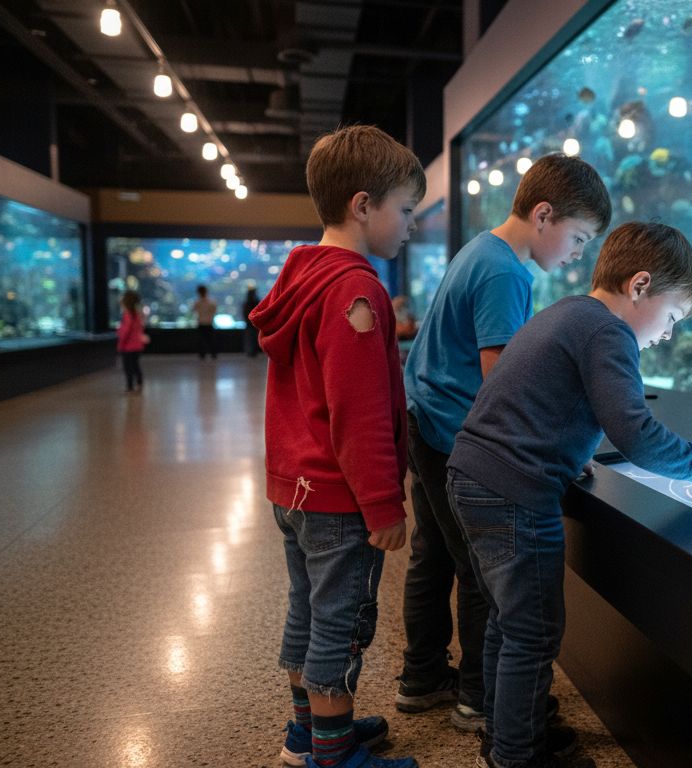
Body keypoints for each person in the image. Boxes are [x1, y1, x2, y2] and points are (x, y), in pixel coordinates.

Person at [448, 221, 692, 768]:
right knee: (534, 632)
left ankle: (504, 734)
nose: (668, 334)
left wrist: (567, 450)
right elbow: (636, 434)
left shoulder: (569, 311)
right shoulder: (608, 333)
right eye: (673, 317)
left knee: (506, 621)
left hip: (473, 475)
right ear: (639, 287)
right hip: (515, 493)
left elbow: (532, 400)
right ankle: (518, 755)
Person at [396, 153, 611, 735]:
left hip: (425, 419)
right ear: (544, 215)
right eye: (579, 237)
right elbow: (504, 385)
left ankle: (420, 677)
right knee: (479, 571)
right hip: (452, 433)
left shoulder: (480, 248)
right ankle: (477, 697)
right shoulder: (506, 273)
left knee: (433, 554)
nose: (578, 254)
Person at [248, 124, 425, 768]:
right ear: (362, 205)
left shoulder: (301, 277)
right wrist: (383, 504)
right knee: (341, 624)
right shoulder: (357, 291)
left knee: (308, 608)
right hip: (337, 497)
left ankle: (309, 732)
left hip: (292, 489)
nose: (409, 224)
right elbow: (359, 413)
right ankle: (332, 753)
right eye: (404, 209)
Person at [116, 290, 148, 392]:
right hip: (137, 346)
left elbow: (126, 331)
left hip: (127, 346)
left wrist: (120, 340)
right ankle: (139, 383)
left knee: (128, 367)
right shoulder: (138, 315)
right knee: (135, 365)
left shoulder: (127, 315)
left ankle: (130, 386)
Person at [192, 284, 218, 360]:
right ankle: (212, 354)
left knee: (203, 340)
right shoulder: (211, 302)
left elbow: (193, 310)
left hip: (203, 323)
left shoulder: (197, 302)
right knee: (209, 340)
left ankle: (204, 355)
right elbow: (214, 310)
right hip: (207, 323)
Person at [242, 284, 262, 357]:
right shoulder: (256, 301)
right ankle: (253, 352)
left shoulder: (247, 302)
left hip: (249, 323)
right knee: (253, 338)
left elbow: (244, 312)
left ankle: (250, 352)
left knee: (249, 338)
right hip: (255, 323)